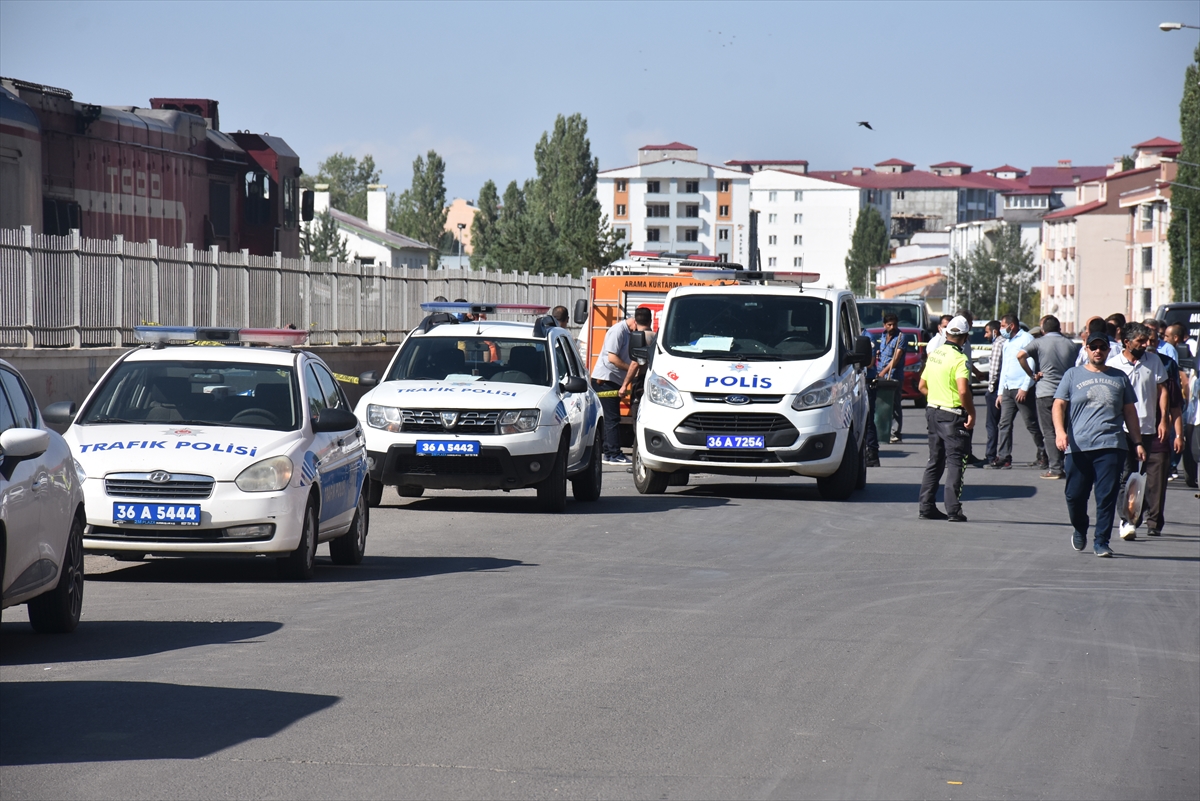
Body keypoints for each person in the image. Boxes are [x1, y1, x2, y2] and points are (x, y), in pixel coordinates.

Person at [1053, 329, 1144, 557]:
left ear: (1107, 349)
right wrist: (1060, 432)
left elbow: (1130, 412)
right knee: (1074, 495)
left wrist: (1138, 441)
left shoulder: (1119, 377)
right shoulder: (1073, 375)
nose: (1097, 351)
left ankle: (1101, 541)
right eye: (1093, 347)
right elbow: (1058, 405)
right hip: (1078, 446)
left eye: (1102, 347)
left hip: (1111, 445)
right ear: (1086, 349)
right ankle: (1080, 527)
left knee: (1106, 496)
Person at [1106, 321, 1169, 541]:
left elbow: (1162, 391)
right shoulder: (1114, 364)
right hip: (1121, 429)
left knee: (1140, 476)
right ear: (1126, 342)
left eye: (1146, 341)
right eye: (1140, 341)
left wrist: (1163, 420)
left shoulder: (1154, 362)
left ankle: (1134, 515)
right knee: (1126, 474)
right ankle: (1126, 520)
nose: (1145, 345)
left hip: (1148, 427)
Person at [917, 315, 975, 522]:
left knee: (935, 461)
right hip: (952, 415)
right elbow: (962, 390)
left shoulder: (935, 354)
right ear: (965, 337)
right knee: (955, 462)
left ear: (947, 333)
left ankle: (926, 506)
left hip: (933, 411)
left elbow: (921, 387)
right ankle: (953, 509)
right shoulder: (960, 359)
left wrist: (936, 398)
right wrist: (972, 412)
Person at [1016, 315, 1079, 479]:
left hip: (1045, 391)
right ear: (1059, 328)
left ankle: (1055, 468)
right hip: (1067, 392)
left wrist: (1032, 375)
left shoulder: (1039, 342)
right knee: (1065, 429)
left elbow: (1020, 356)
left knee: (1050, 431)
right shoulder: (1071, 344)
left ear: (1043, 329)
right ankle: (1069, 465)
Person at [590, 308, 652, 465]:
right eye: (638, 328)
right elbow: (612, 358)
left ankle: (608, 451)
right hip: (605, 380)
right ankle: (613, 454)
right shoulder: (618, 331)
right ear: (634, 322)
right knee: (612, 418)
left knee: (611, 418)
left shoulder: (631, 332)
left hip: (614, 380)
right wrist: (631, 372)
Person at [993, 313, 1046, 470]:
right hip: (1008, 388)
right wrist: (1000, 392)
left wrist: (1025, 387)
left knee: (1030, 423)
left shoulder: (1026, 339)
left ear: (1012, 326)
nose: (1001, 329)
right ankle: (1004, 456)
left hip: (1022, 389)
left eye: (1003, 326)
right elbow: (1005, 368)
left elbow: (1031, 364)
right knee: (1004, 423)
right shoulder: (1007, 342)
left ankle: (1043, 454)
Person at [873, 313, 908, 447]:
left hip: (894, 376)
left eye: (894, 324)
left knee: (894, 405)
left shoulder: (901, 337)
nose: (892, 327)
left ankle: (895, 433)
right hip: (881, 373)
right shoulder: (883, 336)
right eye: (889, 324)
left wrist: (882, 372)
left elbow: (896, 359)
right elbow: (885, 353)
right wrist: (878, 355)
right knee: (882, 404)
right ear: (884, 325)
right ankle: (883, 431)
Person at [983, 320, 1005, 467]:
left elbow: (995, 369)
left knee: (992, 424)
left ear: (995, 332)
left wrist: (991, 389)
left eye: (987, 332)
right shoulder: (1007, 342)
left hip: (996, 389)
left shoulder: (998, 344)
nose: (985, 335)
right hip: (1006, 388)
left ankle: (991, 455)